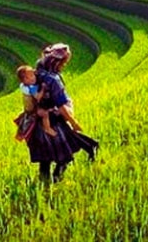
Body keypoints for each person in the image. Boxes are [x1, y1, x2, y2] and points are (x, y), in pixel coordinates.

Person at [25, 43, 99, 182]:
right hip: (53, 119)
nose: (64, 66)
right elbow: (61, 106)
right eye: (63, 63)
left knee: (45, 156)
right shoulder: (54, 80)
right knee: (64, 151)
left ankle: (45, 181)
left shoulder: (38, 71)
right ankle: (56, 178)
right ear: (56, 62)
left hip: (38, 119)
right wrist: (73, 122)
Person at [15, 65, 57, 138]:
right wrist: (43, 89)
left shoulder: (23, 86)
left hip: (29, 108)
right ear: (25, 80)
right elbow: (38, 97)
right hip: (34, 110)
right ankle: (47, 128)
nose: (34, 77)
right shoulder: (31, 87)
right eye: (31, 76)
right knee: (45, 114)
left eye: (33, 74)